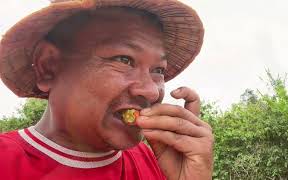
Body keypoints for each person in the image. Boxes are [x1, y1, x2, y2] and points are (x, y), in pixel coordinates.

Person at [0, 0, 213, 179]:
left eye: (158, 69)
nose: (151, 92)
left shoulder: (157, 162)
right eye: (124, 60)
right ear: (49, 67)